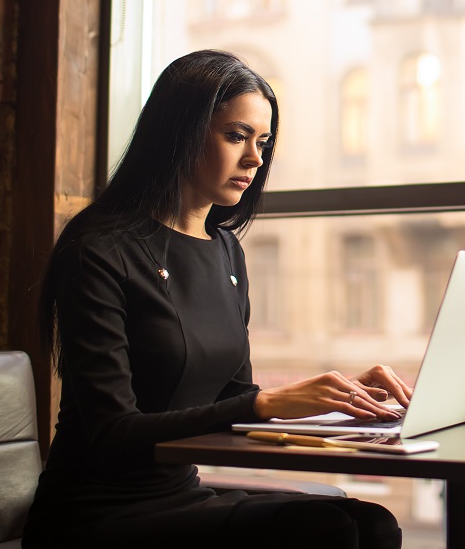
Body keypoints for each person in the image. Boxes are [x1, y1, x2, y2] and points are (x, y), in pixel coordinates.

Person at [23, 49, 411, 548]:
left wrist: (335, 400)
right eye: (236, 136)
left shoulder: (226, 250)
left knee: (376, 523)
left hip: (182, 495)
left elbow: (232, 399)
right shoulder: (98, 249)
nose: (255, 158)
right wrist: (270, 403)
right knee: (327, 530)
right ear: (180, 131)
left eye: (264, 141)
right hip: (93, 515)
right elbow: (113, 433)